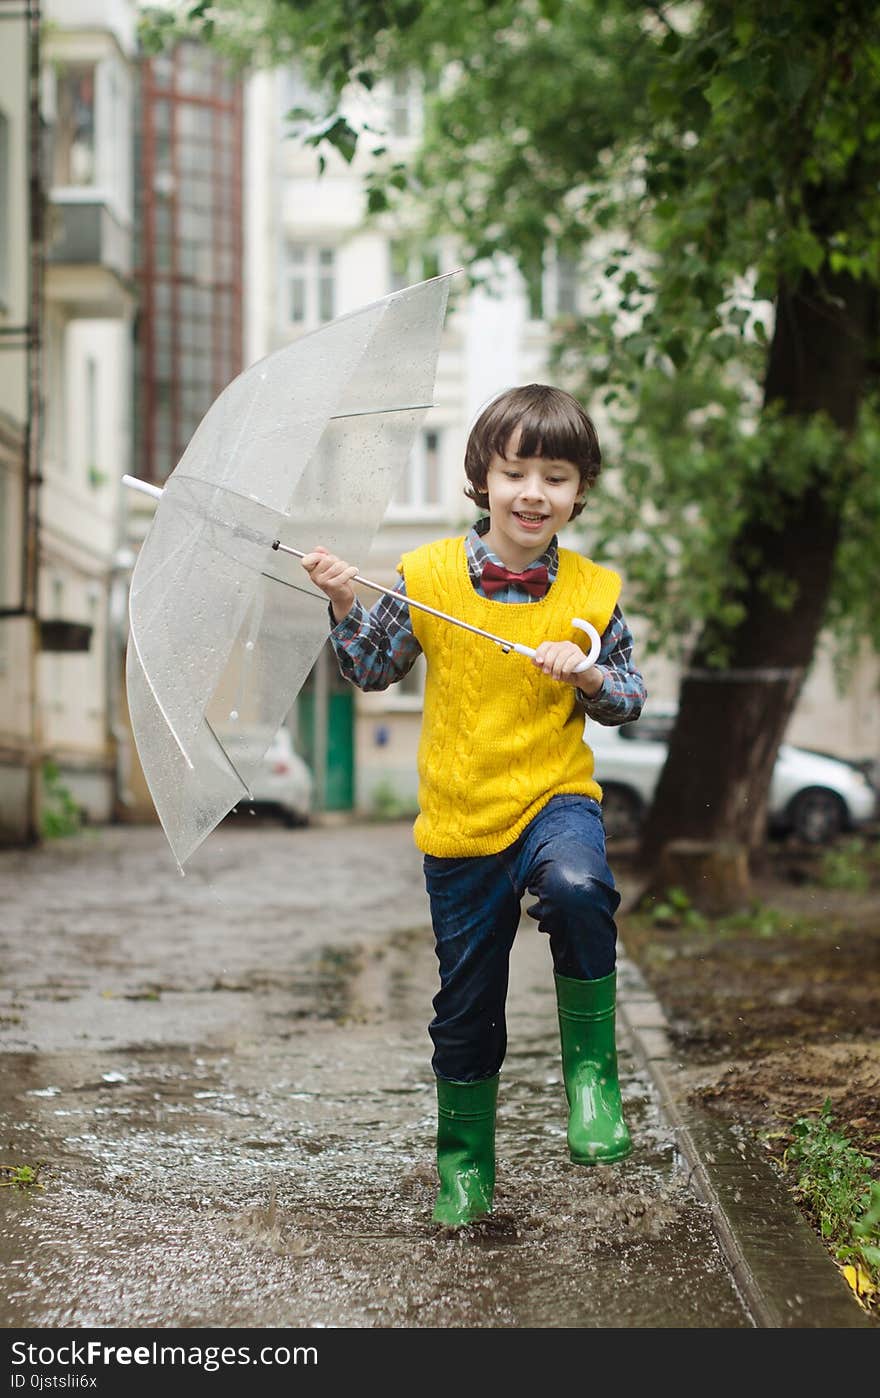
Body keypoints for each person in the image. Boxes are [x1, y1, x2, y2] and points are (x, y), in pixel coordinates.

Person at [301, 383, 646, 1228]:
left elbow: (630, 696)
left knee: (576, 886)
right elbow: (373, 669)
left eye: (557, 477)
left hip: (553, 797)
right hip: (459, 822)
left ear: (579, 491)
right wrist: (346, 597)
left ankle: (593, 1084)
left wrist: (590, 670)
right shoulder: (428, 577)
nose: (535, 493)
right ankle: (464, 1163)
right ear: (482, 480)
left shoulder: (594, 596)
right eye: (516, 472)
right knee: (465, 1005)